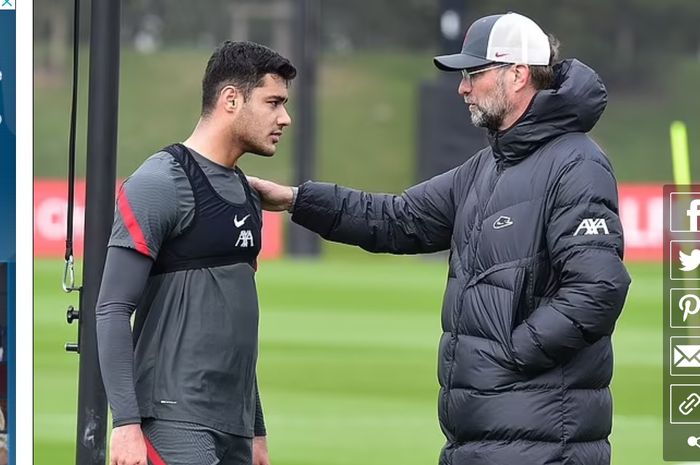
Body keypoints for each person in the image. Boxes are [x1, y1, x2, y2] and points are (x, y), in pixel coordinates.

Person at [248, 12, 630, 465]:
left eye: (474, 73)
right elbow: (397, 218)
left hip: (544, 446)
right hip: (482, 440)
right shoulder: (487, 166)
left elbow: (598, 289)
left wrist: (511, 355)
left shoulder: (576, 164)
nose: (462, 88)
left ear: (519, 74)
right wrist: (296, 199)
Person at [95, 41, 295, 465]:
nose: (285, 118)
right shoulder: (160, 182)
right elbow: (112, 307)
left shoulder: (246, 192)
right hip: (174, 421)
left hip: (234, 427)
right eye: (273, 102)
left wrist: (256, 428)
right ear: (230, 99)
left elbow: (232, 320)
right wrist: (125, 424)